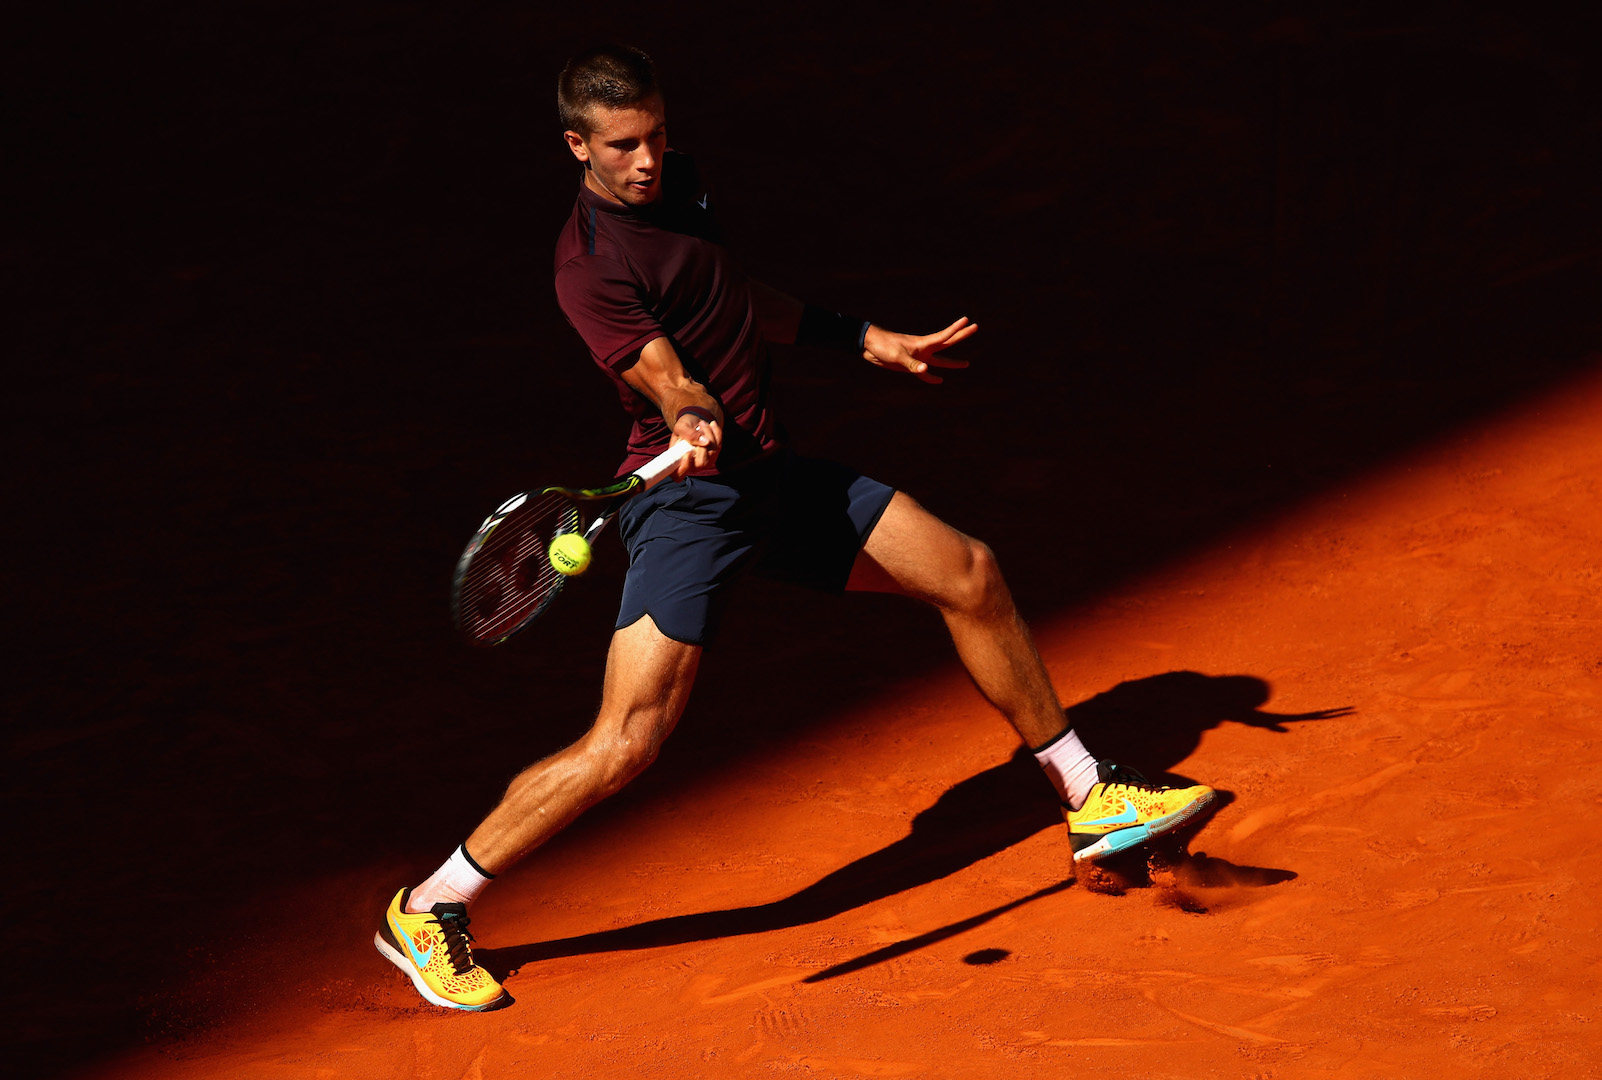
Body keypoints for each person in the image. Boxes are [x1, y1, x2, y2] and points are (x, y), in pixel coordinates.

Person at [374, 44, 1215, 1012]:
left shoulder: (679, 187)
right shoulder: (589, 269)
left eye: (654, 136)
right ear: (577, 147)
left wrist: (865, 340)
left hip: (765, 478)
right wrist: (689, 416)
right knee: (628, 741)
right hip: (688, 504)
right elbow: (662, 372)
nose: (646, 160)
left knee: (967, 572)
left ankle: (1088, 795)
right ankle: (432, 904)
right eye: (621, 146)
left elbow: (731, 298)